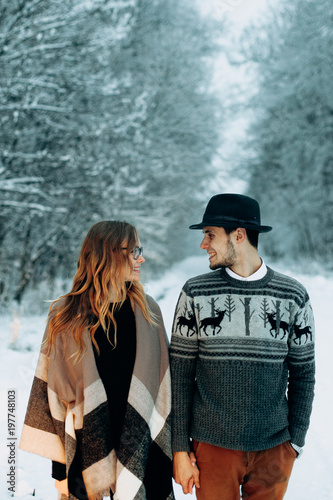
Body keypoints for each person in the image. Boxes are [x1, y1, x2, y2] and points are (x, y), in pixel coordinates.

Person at [170, 194, 315, 500]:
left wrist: (295, 442)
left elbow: (303, 374)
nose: (203, 244)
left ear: (239, 234)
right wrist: (180, 448)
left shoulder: (292, 295)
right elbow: (180, 378)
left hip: (274, 450)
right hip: (212, 448)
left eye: (210, 234)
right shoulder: (195, 293)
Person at [19, 220, 174, 500]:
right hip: (85, 444)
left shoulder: (149, 311)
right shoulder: (66, 317)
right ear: (111, 254)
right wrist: (60, 472)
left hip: (142, 442)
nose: (142, 258)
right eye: (135, 250)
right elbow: (52, 398)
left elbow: (165, 389)